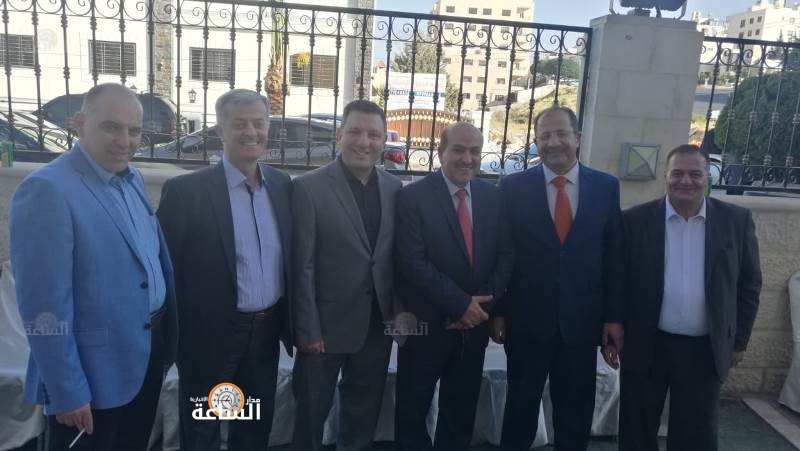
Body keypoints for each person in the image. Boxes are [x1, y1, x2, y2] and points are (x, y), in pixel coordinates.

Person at [9, 83, 178, 451]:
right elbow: (43, 309)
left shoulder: (131, 178)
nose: (125, 141)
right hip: (91, 377)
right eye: (111, 127)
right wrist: (66, 390)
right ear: (80, 123)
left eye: (134, 131)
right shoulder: (47, 190)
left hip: (144, 355)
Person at [157, 89, 292, 451]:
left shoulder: (282, 185)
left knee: (254, 428)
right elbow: (165, 270)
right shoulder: (186, 191)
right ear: (220, 131)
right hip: (208, 338)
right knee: (202, 430)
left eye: (259, 123)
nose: (251, 132)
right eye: (239, 124)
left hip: (265, 334)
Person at [495, 106, 625, 451]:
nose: (553, 142)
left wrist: (613, 317)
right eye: (545, 136)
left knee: (574, 414)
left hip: (581, 324)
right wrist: (499, 311)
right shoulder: (512, 188)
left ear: (577, 138)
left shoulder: (606, 187)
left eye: (561, 134)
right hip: (526, 323)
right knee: (520, 410)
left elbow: (614, 256)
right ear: (536, 142)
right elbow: (502, 254)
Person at [619, 144, 762, 451]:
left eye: (695, 174)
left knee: (695, 436)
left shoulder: (735, 221)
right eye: (678, 173)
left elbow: (749, 285)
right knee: (636, 430)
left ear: (707, 178)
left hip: (704, 349)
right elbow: (618, 280)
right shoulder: (634, 221)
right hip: (646, 343)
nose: (686, 181)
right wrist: (613, 325)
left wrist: (739, 341)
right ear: (665, 176)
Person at [393, 122, 513, 451]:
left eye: (475, 151)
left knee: (460, 413)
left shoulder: (493, 196)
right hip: (425, 325)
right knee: (412, 411)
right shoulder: (412, 197)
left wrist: (480, 308)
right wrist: (461, 305)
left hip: (474, 328)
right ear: (441, 152)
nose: (467, 158)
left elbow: (506, 256)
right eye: (458, 150)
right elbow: (412, 261)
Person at [291, 99, 403, 451]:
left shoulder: (394, 188)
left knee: (361, 417)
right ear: (340, 135)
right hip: (323, 331)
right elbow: (301, 266)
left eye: (373, 134)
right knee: (310, 418)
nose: (363, 142)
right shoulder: (308, 187)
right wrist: (308, 330)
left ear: (384, 140)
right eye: (355, 131)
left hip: (376, 327)